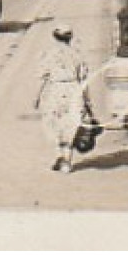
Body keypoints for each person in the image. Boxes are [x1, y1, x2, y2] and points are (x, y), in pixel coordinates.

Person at [34, 23, 91, 173]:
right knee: (70, 125)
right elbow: (84, 79)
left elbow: (43, 77)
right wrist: (87, 100)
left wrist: (37, 96)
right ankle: (66, 161)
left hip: (55, 90)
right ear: (70, 38)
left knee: (55, 124)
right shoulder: (77, 55)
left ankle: (60, 156)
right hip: (73, 90)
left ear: (55, 37)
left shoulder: (48, 54)